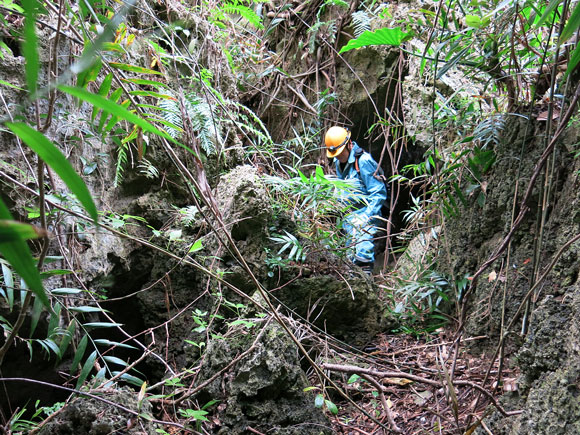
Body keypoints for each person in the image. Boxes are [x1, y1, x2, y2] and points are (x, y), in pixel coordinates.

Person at [324, 126, 387, 275]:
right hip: (350, 217)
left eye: (340, 153)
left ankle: (366, 282)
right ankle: (353, 284)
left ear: (349, 144)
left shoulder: (363, 161)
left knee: (362, 249)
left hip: (367, 213)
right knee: (348, 256)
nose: (338, 157)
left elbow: (378, 193)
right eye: (336, 155)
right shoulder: (339, 164)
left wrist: (366, 217)